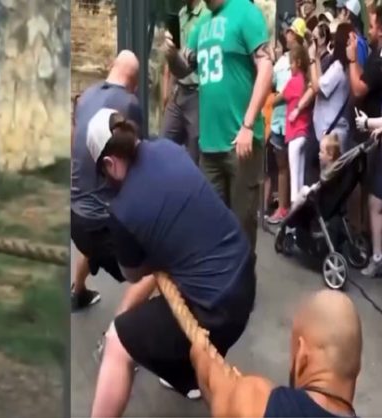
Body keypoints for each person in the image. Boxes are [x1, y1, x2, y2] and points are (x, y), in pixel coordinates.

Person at [86, 108, 256, 417]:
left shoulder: (122, 211)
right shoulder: (169, 149)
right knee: (178, 330)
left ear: (109, 164)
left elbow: (135, 273)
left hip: (214, 309)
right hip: (244, 277)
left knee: (118, 342)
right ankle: (188, 374)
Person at [164, 0, 274, 253]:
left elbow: (265, 69)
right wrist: (171, 56)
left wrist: (248, 125)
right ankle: (219, 286)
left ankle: (242, 287)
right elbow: (184, 70)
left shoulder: (246, 12)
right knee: (211, 224)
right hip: (209, 144)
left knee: (242, 226)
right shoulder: (200, 25)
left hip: (241, 141)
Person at [190, 289, 361, 417]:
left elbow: (213, 383)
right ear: (356, 368)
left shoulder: (258, 402)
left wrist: (199, 353)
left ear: (302, 356)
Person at [70, 50, 143, 310]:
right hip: (102, 226)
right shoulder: (129, 104)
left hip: (75, 219)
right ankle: (116, 339)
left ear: (112, 67)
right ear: (134, 83)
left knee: (92, 245)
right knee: (153, 270)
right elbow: (138, 159)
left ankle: (78, 293)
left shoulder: (85, 96)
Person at [348, 6, 382, 276]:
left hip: (375, 131)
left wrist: (351, 60)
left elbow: (359, 87)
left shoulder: (379, 59)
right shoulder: (375, 55)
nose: (369, 31)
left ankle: (378, 257)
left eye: (373, 26)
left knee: (376, 201)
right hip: (376, 134)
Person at [161, 0, 210, 165]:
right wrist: (167, 89)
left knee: (194, 155)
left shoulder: (207, 14)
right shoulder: (182, 13)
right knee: (164, 146)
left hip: (198, 93)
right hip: (179, 90)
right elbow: (177, 57)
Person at [267, 18, 306, 224]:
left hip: (295, 123)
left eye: (291, 32)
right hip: (279, 122)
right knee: (282, 166)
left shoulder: (303, 63)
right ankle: (283, 207)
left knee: (295, 168)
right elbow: (271, 83)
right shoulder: (282, 61)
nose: (287, 35)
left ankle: (294, 211)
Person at [297, 23, 354, 152]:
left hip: (331, 134)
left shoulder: (338, 68)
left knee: (329, 171)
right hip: (332, 131)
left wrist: (311, 59)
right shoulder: (344, 67)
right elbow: (322, 81)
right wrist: (316, 57)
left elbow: (317, 87)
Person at [276, 43, 311, 206]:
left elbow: (279, 98)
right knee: (301, 178)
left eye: (291, 63)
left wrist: (268, 100)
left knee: (294, 181)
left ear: (297, 62)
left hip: (294, 134)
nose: (289, 67)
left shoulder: (293, 82)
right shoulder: (305, 80)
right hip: (304, 132)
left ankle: (293, 225)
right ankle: (300, 221)